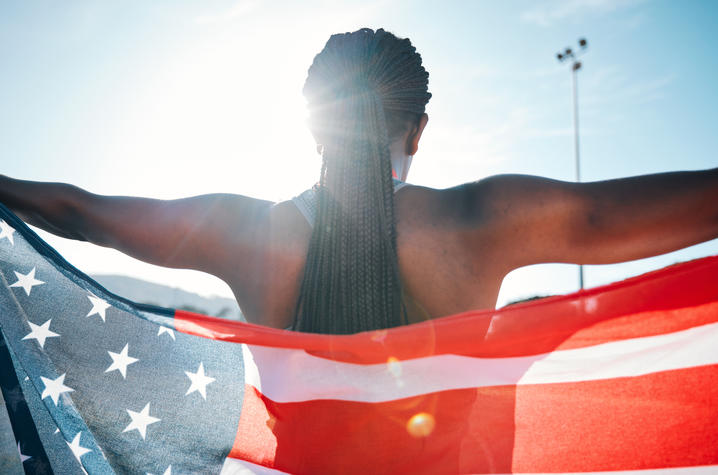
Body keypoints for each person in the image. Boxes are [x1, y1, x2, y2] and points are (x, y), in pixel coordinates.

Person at [1, 28, 716, 335]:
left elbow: (79, 211)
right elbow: (614, 217)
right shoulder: (480, 219)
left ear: (314, 128)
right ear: (418, 130)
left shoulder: (244, 233)